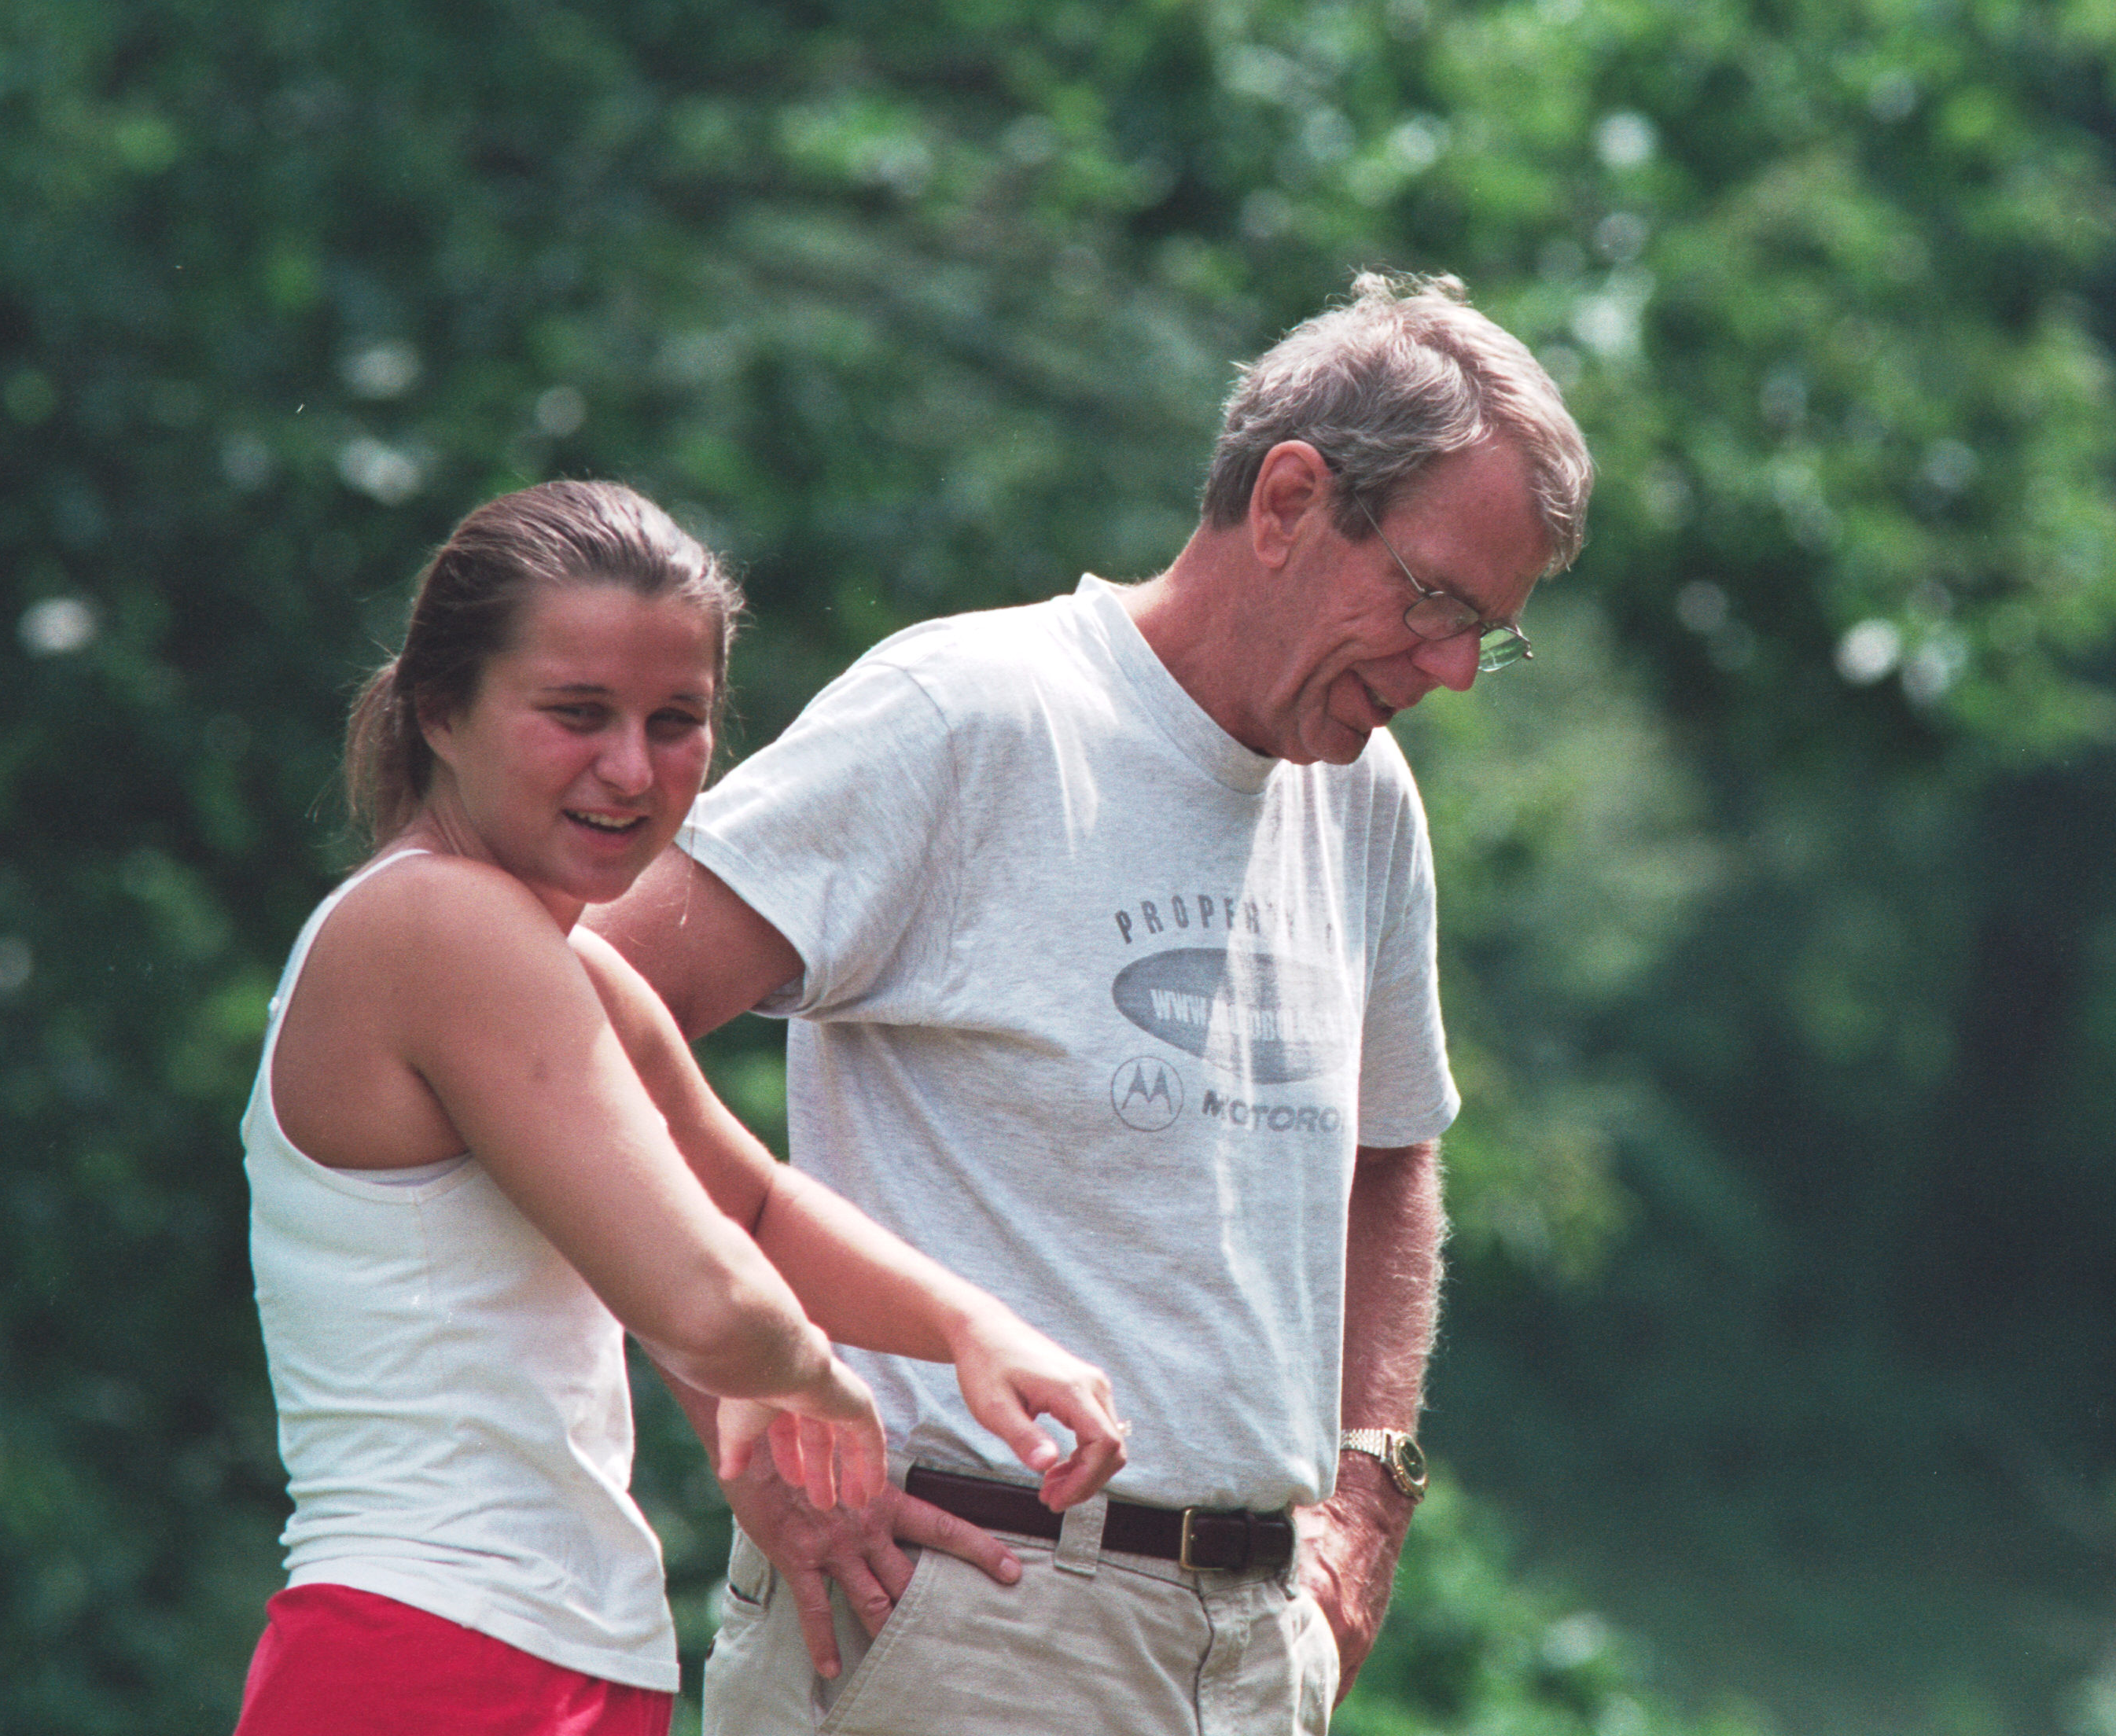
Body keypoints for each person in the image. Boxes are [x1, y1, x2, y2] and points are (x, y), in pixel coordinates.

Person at [593, 271, 1592, 1734]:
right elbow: (581, 1023)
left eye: (1484, 633)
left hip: (1254, 1645)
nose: (1450, 671)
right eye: (1436, 602)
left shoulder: (1365, 798)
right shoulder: (969, 713)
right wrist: (741, 1395)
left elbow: (1391, 1159)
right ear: (1290, 501)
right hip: (959, 1599)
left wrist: (1367, 1502)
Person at [234, 480, 1126, 1736]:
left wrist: (972, 1327)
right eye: (577, 715)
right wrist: (820, 1386)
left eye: (677, 721)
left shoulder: (568, 958)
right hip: (425, 1655)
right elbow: (705, 1298)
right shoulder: (438, 921)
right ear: (441, 709)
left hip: (566, 1657)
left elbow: (747, 1205)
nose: (631, 768)